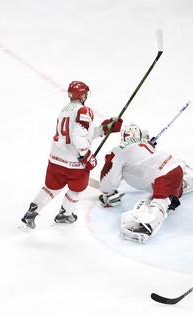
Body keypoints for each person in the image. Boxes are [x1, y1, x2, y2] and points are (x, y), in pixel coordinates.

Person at [19, 80, 123, 231]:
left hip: (55, 159)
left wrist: (103, 129)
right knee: (76, 188)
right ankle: (65, 214)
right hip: (74, 162)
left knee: (51, 188)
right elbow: (79, 137)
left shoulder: (65, 109)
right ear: (83, 95)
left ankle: (30, 213)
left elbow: (79, 133)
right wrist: (86, 155)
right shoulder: (84, 110)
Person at [98, 123, 193, 243]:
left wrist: (107, 193)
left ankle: (147, 225)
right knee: (171, 188)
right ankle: (189, 179)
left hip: (164, 176)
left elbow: (109, 177)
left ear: (123, 137)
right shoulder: (146, 145)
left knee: (160, 200)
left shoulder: (118, 150)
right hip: (175, 167)